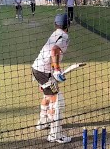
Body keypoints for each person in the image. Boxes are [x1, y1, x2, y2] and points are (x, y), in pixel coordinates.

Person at [32, 13, 71, 143]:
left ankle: (43, 121)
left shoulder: (55, 33)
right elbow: (54, 50)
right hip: (45, 71)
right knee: (58, 101)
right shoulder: (64, 36)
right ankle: (55, 134)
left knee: (48, 96)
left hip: (37, 69)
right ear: (67, 25)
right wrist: (56, 69)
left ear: (56, 24)